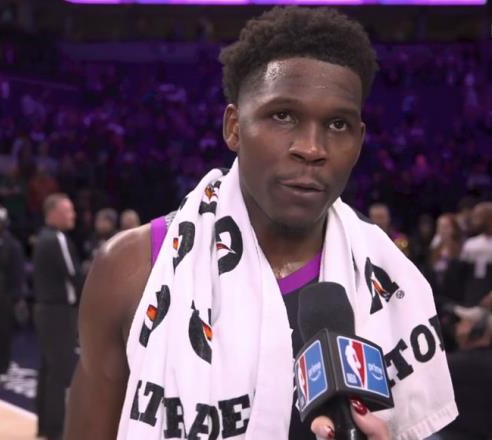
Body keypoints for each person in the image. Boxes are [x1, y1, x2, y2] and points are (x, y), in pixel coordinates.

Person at [65, 7, 457, 440]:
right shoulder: (132, 268)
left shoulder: (393, 283)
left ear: (359, 142)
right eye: (283, 115)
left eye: (337, 124)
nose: (311, 148)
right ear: (234, 128)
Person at [33, 193, 83, 440]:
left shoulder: (42, 238)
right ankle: (55, 430)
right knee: (59, 372)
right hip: (59, 312)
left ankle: (44, 425)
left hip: (44, 310)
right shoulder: (58, 239)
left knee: (47, 368)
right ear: (53, 213)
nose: (73, 215)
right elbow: (73, 274)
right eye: (68, 210)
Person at [0, 203, 25, 382]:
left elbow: (17, 272)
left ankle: (1, 368)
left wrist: (16, 296)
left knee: (2, 333)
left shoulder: (11, 244)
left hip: (4, 295)